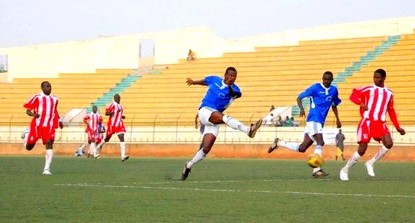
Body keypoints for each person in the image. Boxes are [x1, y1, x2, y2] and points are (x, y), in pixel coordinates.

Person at [181, 67, 263, 181]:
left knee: (206, 148)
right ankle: (248, 130)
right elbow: (204, 81)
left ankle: (188, 166)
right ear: (225, 75)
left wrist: (229, 87)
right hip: (205, 110)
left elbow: (236, 94)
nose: (232, 78)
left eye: (234, 76)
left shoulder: (235, 89)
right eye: (230, 75)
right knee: (225, 118)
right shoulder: (214, 79)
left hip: (214, 118)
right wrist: (193, 82)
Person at [267, 71, 342, 178]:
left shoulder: (334, 90)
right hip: (314, 119)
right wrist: (302, 108)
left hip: (320, 121)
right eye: (324, 79)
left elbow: (334, 105)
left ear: (332, 80)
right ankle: (316, 169)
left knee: (302, 148)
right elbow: (299, 97)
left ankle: (279, 143)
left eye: (328, 79)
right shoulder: (315, 88)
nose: (326, 81)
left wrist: (338, 119)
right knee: (320, 141)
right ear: (322, 78)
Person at [340, 69, 405, 181]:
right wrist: (360, 103)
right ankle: (345, 169)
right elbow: (353, 95)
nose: (376, 79)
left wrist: (398, 127)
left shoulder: (389, 93)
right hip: (367, 122)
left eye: (378, 77)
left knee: (389, 143)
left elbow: (391, 110)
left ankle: (370, 162)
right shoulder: (369, 89)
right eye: (374, 77)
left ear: (384, 78)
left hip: (380, 123)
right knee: (362, 149)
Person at [23, 81, 64, 175]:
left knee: (50, 143)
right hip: (37, 125)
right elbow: (28, 111)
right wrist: (34, 114)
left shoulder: (55, 99)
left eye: (50, 86)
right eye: (47, 86)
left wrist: (59, 120)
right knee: (29, 147)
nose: (49, 88)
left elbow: (55, 111)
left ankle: (46, 169)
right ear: (42, 88)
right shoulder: (37, 97)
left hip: (49, 126)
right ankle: (26, 134)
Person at [96, 94, 129, 161]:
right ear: (114, 98)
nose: (118, 98)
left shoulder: (121, 106)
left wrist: (122, 117)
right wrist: (111, 112)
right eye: (116, 97)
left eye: (119, 97)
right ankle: (99, 146)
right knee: (107, 138)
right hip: (112, 124)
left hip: (119, 124)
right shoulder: (112, 105)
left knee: (122, 137)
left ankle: (123, 156)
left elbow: (118, 114)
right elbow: (106, 113)